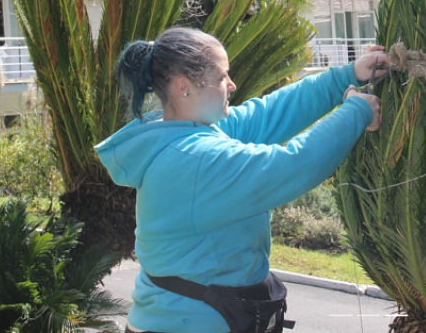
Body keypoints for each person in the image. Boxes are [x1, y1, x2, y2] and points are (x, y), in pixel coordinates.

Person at [94, 27, 386, 333]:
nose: (231, 85)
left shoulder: (184, 131)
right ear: (185, 87)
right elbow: (292, 167)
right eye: (222, 76)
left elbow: (270, 113)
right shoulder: (194, 159)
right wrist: (356, 111)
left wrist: (347, 75)